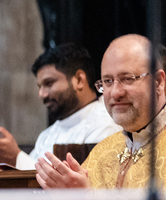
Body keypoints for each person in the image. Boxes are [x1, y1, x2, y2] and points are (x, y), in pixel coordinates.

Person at [36, 34, 166, 189]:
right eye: (108, 81)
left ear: (158, 82)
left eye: (128, 79)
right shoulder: (102, 152)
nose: (115, 93)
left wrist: (85, 198)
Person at [0, 43, 118, 170]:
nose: (42, 94)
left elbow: (84, 184)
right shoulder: (48, 134)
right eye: (40, 86)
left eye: (49, 83)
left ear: (79, 80)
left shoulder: (105, 123)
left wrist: (15, 157)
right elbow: (25, 178)